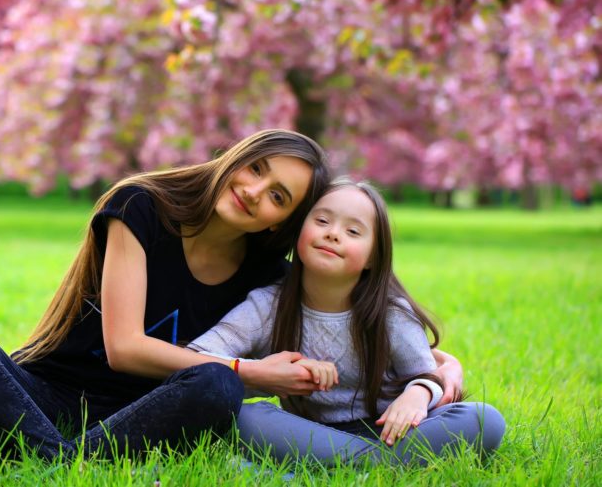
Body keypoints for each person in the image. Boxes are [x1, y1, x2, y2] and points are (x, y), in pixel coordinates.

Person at [0, 129, 336, 464]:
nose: (254, 191)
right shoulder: (142, 207)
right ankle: (61, 461)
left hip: (144, 419)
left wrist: (404, 386)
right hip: (41, 395)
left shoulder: (269, 278)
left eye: (278, 197)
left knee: (218, 384)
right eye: (256, 168)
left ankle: (32, 459)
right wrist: (252, 371)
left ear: (281, 223)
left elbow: (365, 310)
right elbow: (125, 348)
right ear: (235, 158)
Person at [188, 177, 505, 465]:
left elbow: (426, 376)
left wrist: (418, 393)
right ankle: (379, 466)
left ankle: (339, 467)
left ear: (372, 257)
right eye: (322, 220)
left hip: (392, 432)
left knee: (483, 420)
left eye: (353, 231)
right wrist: (269, 370)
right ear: (300, 230)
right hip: (308, 434)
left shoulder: (390, 312)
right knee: (246, 416)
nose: (332, 234)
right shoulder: (267, 306)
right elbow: (199, 358)